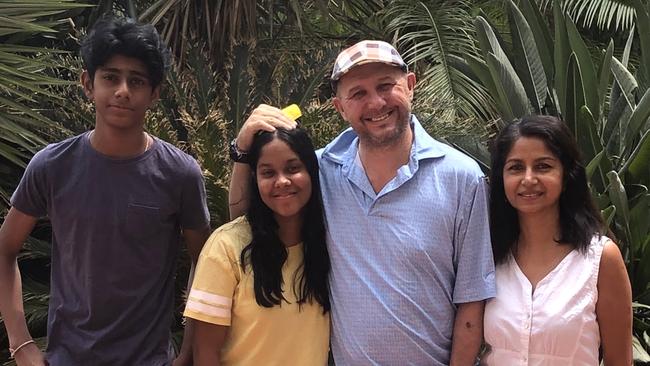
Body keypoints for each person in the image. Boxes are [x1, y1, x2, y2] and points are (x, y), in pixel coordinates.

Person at [228, 40, 495, 365]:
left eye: (386, 86)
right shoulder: (319, 172)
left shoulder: (461, 177)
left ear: (410, 86)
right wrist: (243, 150)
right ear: (340, 108)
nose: (376, 103)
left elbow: (472, 298)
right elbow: (247, 220)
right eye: (358, 94)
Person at [0, 17, 211, 366]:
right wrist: (22, 345)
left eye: (137, 81)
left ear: (154, 93)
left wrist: (189, 348)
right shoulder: (52, 166)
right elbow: (5, 251)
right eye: (111, 77)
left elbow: (206, 262)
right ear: (88, 83)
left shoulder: (179, 174)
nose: (123, 90)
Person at [482, 115, 632, 365]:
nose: (528, 179)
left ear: (566, 176)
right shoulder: (490, 255)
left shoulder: (600, 259)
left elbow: (620, 360)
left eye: (543, 166)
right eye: (516, 167)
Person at [185, 127, 330, 365]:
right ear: (255, 179)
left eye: (293, 168)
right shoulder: (226, 247)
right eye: (268, 173)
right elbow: (205, 353)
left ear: (312, 172)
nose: (282, 181)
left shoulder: (328, 244)